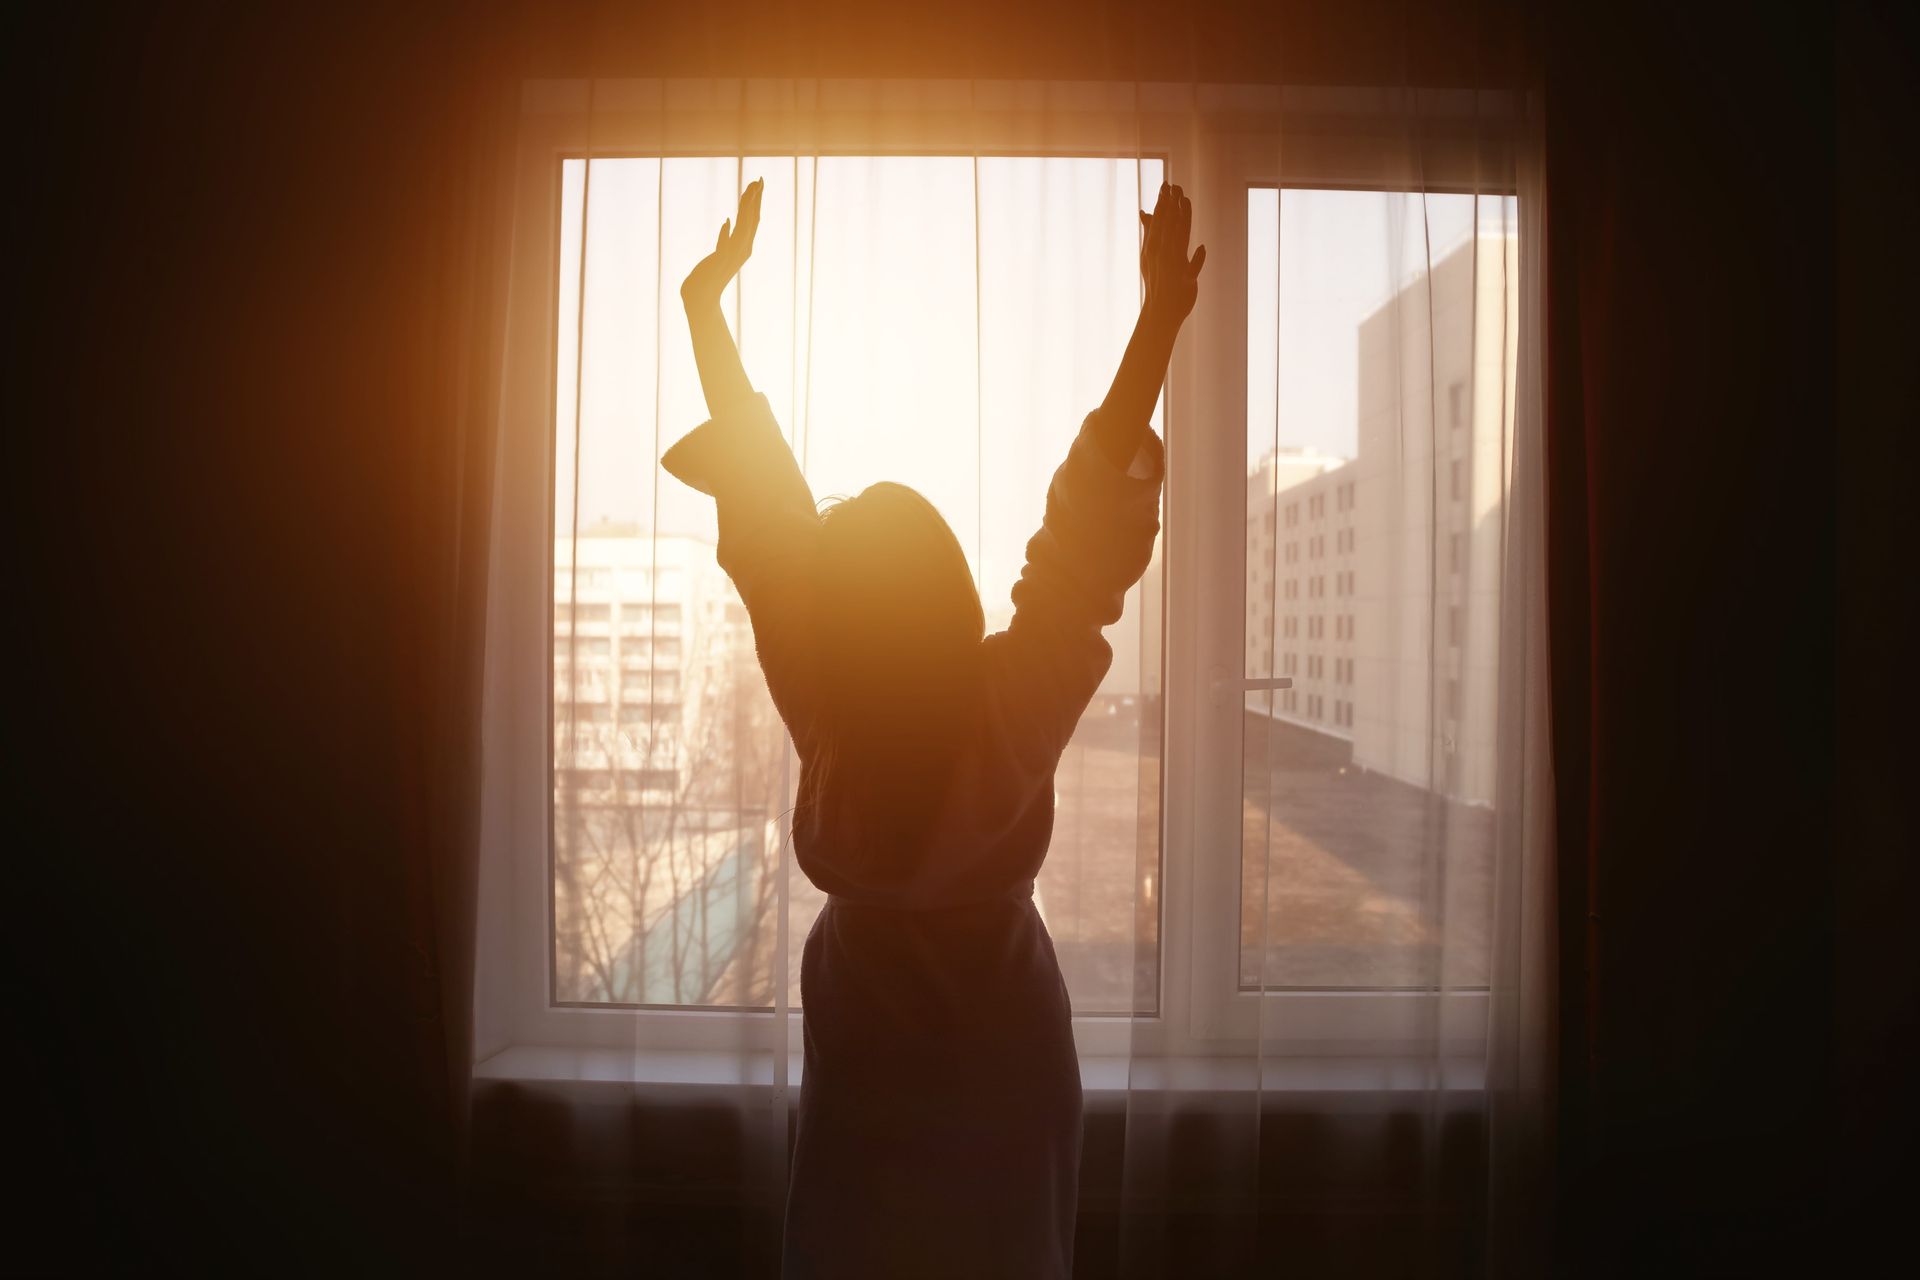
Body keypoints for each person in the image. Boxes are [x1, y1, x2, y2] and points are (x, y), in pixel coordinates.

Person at [661, 175, 1204, 1279]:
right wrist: (1156, 320)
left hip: (866, 1102)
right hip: (1009, 1077)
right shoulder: (1006, 707)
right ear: (949, 589)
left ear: (842, 619)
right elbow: (1083, 543)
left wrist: (706, 311)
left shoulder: (829, 717)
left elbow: (768, 524)